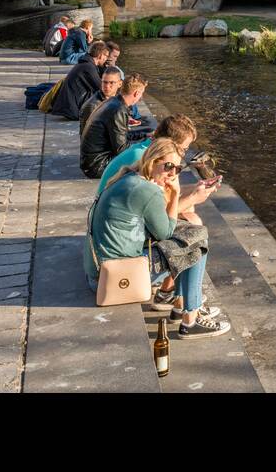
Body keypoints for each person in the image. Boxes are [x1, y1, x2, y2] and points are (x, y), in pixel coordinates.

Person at [85, 138, 228, 338]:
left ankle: (180, 305)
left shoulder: (129, 176)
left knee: (188, 233)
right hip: (116, 276)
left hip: (99, 268)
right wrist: (180, 192)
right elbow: (164, 233)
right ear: (152, 161)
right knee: (196, 241)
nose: (172, 173)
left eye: (177, 169)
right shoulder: (147, 189)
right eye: (168, 166)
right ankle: (191, 320)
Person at [80, 72, 147, 180]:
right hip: (98, 166)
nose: (141, 97)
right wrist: (146, 147)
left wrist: (145, 135)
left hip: (91, 162)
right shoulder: (118, 110)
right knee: (149, 158)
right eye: (141, 93)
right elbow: (121, 149)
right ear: (136, 93)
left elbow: (121, 135)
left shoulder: (113, 101)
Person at [51, 41, 110, 121]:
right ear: (100, 55)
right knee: (103, 93)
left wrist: (103, 68)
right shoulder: (88, 67)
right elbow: (101, 88)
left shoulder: (86, 63)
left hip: (70, 106)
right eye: (106, 56)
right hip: (72, 110)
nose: (106, 59)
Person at [80, 66, 123, 134]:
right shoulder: (93, 106)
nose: (107, 86)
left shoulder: (116, 98)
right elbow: (89, 135)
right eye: (105, 82)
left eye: (111, 83)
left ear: (120, 84)